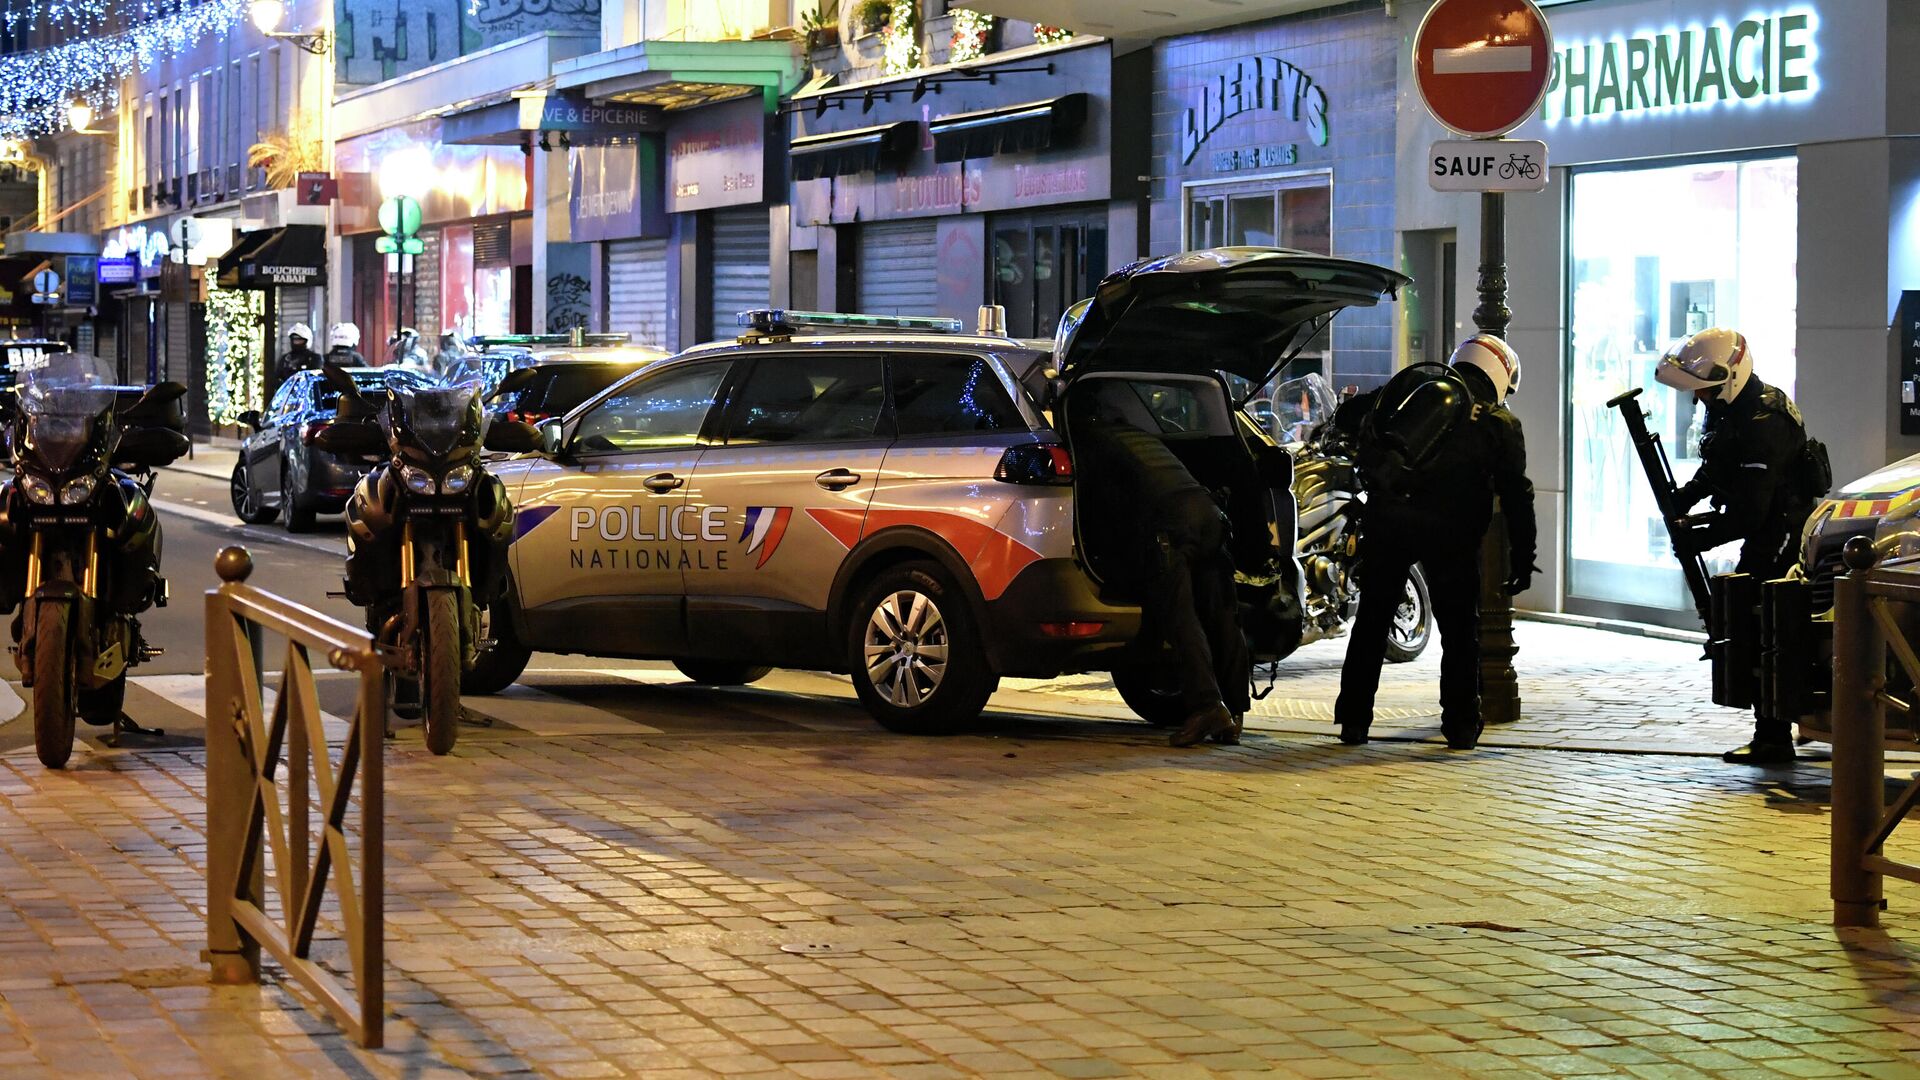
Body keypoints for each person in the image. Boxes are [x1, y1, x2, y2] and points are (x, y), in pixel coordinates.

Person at [1334, 335, 1537, 750]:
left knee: (1371, 623)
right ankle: (1461, 725)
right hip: (1452, 535)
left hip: (1389, 522)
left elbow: (1347, 417)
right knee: (1460, 633)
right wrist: (1523, 554)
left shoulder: (1414, 390)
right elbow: (1518, 495)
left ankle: (1354, 721)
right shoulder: (1498, 422)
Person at [1656, 327, 1823, 765]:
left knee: (1770, 626)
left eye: (1705, 391)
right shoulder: (1736, 408)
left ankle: (1774, 737)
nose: (1700, 400)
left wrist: (1699, 535)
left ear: (1729, 376)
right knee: (1760, 622)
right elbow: (1718, 465)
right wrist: (1685, 499)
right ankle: (1774, 729)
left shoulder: (1764, 421)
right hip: (1768, 528)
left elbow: (1750, 512)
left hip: (1781, 534)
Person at [1072, 380, 1249, 748]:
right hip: (1209, 515)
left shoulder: (1091, 442)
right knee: (1220, 615)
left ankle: (1206, 707)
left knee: (1181, 619)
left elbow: (1106, 511)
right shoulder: (1138, 435)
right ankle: (1234, 713)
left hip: (1170, 526)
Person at [271, 322, 321, 394]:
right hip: (288, 398)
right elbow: (276, 380)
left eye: (300, 340)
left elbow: (316, 381)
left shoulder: (314, 358)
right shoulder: (285, 359)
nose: (297, 343)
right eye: (295, 340)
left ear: (307, 340)